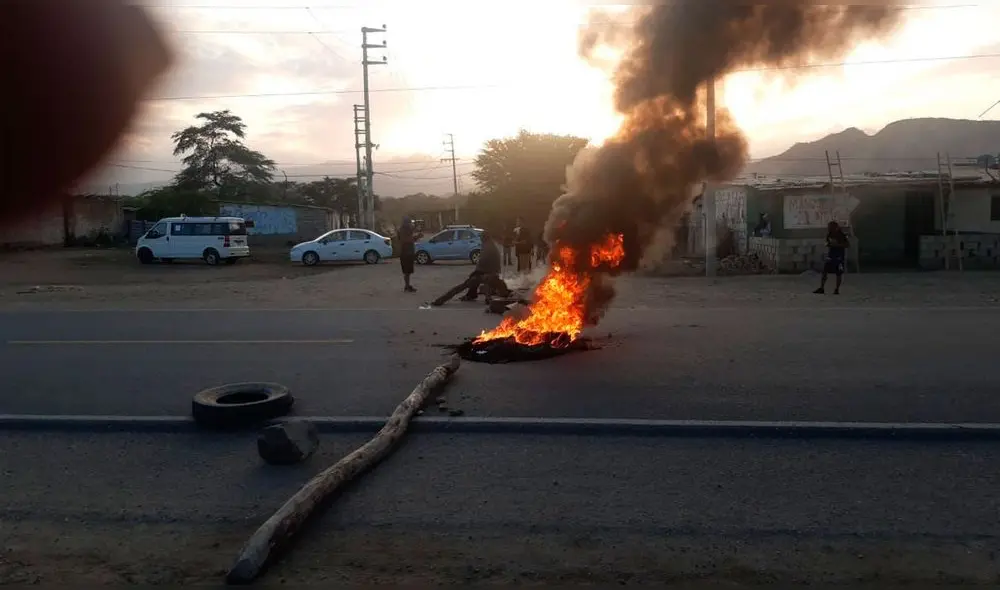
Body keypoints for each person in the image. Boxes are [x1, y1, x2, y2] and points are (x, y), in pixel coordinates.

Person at [430, 229, 508, 306]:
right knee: (474, 278)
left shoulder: (487, 246)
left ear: (484, 238)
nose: (480, 239)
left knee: (464, 285)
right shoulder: (490, 245)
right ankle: (472, 294)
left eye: (481, 237)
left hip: (489, 274)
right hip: (493, 273)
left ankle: (439, 301)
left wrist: (476, 272)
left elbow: (482, 262)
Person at [814, 221, 849, 295]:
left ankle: (837, 289)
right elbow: (827, 242)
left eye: (830, 227)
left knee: (838, 273)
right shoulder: (829, 234)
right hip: (831, 256)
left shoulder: (841, 235)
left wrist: (838, 245)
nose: (829, 228)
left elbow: (847, 244)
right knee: (824, 271)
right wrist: (828, 244)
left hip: (839, 257)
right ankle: (822, 288)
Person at [397, 216, 419, 293]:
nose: (411, 224)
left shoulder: (403, 230)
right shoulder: (405, 230)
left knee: (407, 272)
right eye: (410, 223)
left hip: (405, 252)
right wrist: (416, 237)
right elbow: (407, 240)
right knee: (407, 271)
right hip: (406, 252)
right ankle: (407, 286)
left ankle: (407, 286)